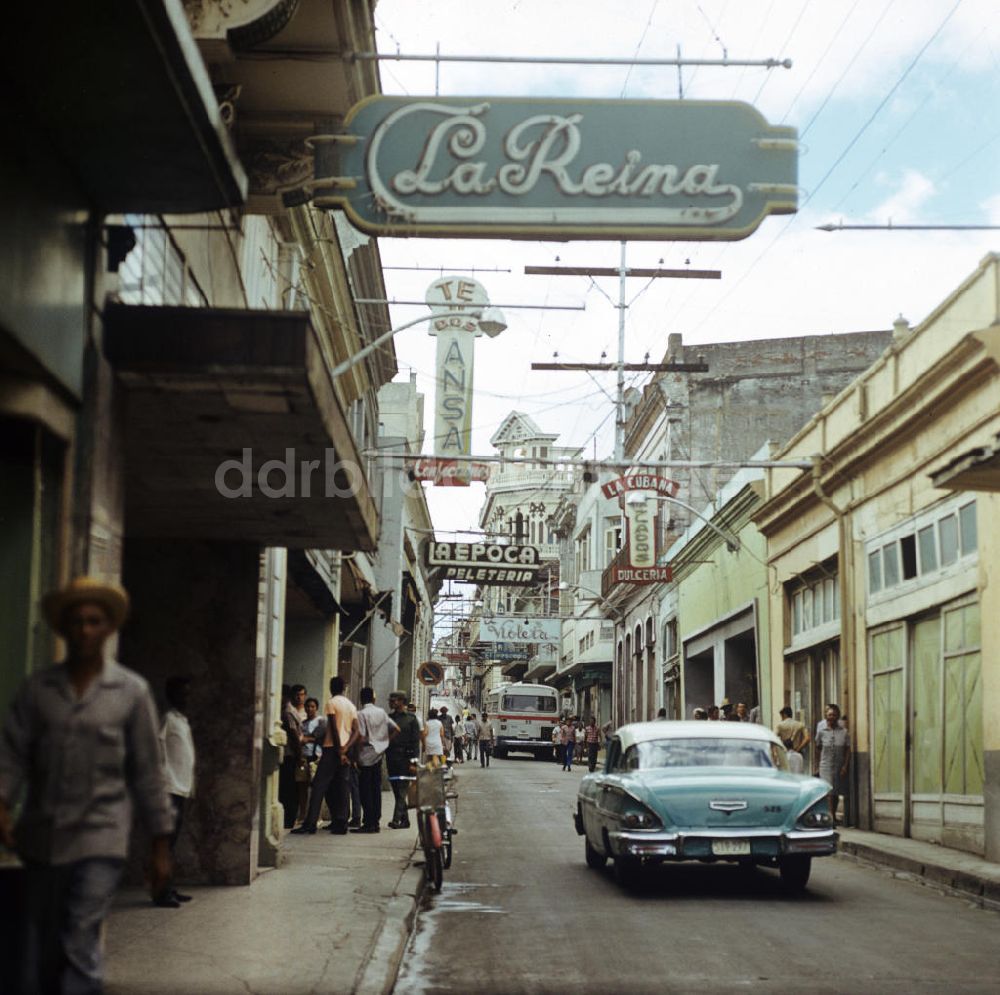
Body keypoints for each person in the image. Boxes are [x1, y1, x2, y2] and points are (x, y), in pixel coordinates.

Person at [0, 576, 174, 995]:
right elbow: (12, 754)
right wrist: (2, 802)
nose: (85, 630)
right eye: (76, 621)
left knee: (80, 935)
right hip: (42, 836)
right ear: (63, 628)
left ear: (108, 628)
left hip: (101, 836)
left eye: (94, 621)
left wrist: (160, 844)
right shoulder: (38, 690)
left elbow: (149, 770)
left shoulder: (130, 693)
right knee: (44, 948)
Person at [292, 676, 359, 835]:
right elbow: (357, 731)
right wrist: (346, 748)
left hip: (331, 749)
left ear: (331, 688)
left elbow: (334, 728)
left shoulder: (331, 703)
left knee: (318, 785)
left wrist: (338, 750)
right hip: (345, 749)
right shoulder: (350, 705)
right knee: (342, 787)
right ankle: (341, 822)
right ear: (344, 688)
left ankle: (310, 823)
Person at [159, 675, 196, 907]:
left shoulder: (181, 720)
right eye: (182, 692)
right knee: (165, 844)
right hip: (169, 787)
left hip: (181, 787)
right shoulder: (167, 719)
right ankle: (161, 891)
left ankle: (168, 886)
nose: (187, 697)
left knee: (171, 843)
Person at [354, 687, 398, 834]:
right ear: (373, 699)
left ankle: (368, 822)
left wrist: (355, 755)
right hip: (379, 755)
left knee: (365, 790)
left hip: (365, 755)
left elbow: (360, 736)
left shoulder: (361, 714)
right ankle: (375, 822)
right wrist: (385, 742)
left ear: (361, 699)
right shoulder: (381, 712)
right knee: (375, 789)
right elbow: (396, 729)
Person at [386, 692, 422, 830]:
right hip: (391, 758)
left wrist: (414, 762)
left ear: (402, 701)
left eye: (394, 700)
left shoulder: (411, 719)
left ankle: (396, 820)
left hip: (405, 759)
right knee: (396, 790)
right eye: (390, 700)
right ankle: (405, 820)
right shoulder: (389, 718)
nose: (391, 703)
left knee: (402, 790)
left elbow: (415, 742)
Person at [814, 703, 850, 825]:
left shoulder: (844, 732)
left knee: (835, 792)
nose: (831, 717)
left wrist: (845, 766)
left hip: (839, 765)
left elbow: (847, 749)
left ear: (838, 716)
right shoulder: (821, 732)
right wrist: (817, 765)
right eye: (829, 715)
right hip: (825, 765)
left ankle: (833, 814)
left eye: (834, 715)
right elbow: (817, 748)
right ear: (826, 716)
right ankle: (830, 817)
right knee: (828, 791)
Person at [279, 684, 306, 830]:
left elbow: (294, 734)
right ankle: (290, 817)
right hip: (292, 753)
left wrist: (299, 754)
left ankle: (289, 819)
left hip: (290, 754)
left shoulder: (288, 711)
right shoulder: (292, 710)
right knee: (291, 788)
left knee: (288, 788)